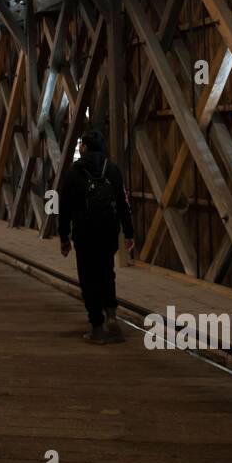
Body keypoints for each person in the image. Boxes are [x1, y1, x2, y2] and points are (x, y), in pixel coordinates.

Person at [58, 129, 136, 344]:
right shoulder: (112, 170)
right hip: (108, 232)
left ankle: (97, 327)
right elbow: (123, 204)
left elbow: (64, 207)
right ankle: (111, 315)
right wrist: (128, 233)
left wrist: (64, 237)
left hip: (84, 234)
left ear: (84, 148)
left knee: (88, 278)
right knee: (106, 272)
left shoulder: (74, 172)